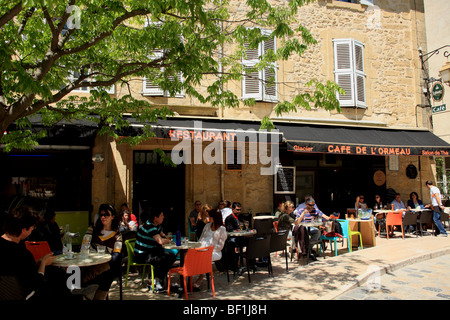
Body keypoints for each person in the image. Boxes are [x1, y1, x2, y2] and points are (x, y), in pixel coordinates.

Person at [0, 205, 96, 300]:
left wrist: (37, 262)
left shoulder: (15, 250)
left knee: (56, 274)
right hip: (29, 294)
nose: (33, 229)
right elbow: (36, 283)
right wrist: (43, 263)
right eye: (32, 227)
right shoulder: (22, 253)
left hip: (7, 293)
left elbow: (22, 268)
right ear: (23, 229)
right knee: (58, 279)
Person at [84, 203, 123, 300]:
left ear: (113, 216)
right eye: (101, 215)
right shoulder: (92, 230)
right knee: (106, 276)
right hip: (89, 264)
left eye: (106, 214)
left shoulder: (117, 235)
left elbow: (116, 254)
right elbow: (84, 247)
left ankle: (86, 289)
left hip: (106, 266)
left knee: (108, 271)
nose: (103, 217)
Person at [134, 207, 177, 292]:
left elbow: (163, 235)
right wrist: (168, 240)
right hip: (142, 255)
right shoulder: (149, 226)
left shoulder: (156, 226)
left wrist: (166, 237)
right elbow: (160, 241)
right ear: (155, 218)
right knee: (163, 259)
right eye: (161, 215)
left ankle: (156, 279)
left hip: (150, 253)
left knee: (171, 256)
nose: (163, 217)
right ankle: (155, 282)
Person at [193, 209, 228, 289]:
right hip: (202, 248)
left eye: (210, 217)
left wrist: (208, 249)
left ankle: (200, 278)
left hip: (215, 251)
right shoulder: (207, 226)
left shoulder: (222, 229)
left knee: (204, 256)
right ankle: (183, 278)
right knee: (190, 255)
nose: (208, 218)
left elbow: (220, 246)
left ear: (214, 217)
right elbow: (201, 238)